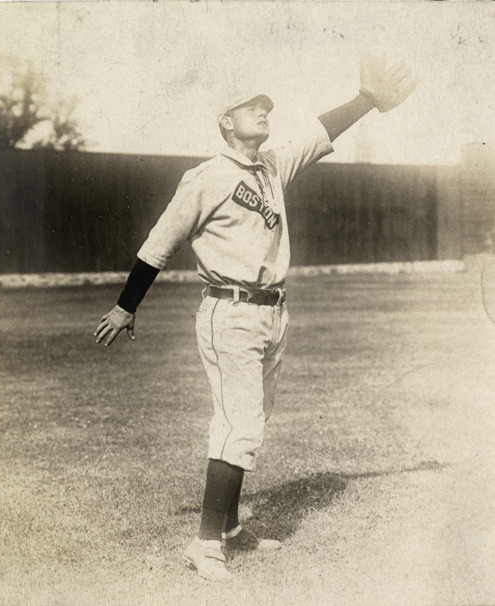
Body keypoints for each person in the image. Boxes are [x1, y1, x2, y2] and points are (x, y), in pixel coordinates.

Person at [94, 53, 416, 581]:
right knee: (238, 423)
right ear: (226, 121)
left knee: (251, 421)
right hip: (230, 311)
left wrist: (366, 101)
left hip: (272, 312)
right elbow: (159, 244)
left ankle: (228, 528)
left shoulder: (270, 167)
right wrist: (126, 305)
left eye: (266, 106)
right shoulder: (205, 177)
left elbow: (317, 133)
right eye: (251, 107)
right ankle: (204, 544)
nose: (264, 112)